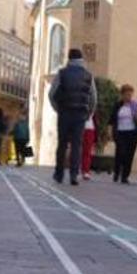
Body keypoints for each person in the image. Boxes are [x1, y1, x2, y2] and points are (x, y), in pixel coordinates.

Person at [49, 48, 97, 185]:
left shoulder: (62, 73)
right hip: (80, 114)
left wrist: (57, 109)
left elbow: (52, 94)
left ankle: (59, 174)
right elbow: (93, 97)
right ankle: (74, 175)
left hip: (64, 112)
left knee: (62, 144)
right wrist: (89, 113)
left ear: (69, 59)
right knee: (77, 145)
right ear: (81, 59)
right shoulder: (88, 75)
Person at [109, 84, 137, 185]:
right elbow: (112, 120)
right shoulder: (118, 105)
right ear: (122, 94)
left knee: (129, 155)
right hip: (120, 133)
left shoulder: (135, 105)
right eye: (126, 94)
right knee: (120, 153)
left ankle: (125, 176)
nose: (129, 96)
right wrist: (110, 133)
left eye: (130, 94)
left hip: (133, 133)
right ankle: (117, 172)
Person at [81, 111, 97, 180]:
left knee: (87, 151)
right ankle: (76, 169)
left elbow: (94, 117)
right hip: (79, 127)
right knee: (77, 150)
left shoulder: (92, 102)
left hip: (89, 128)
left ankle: (86, 171)